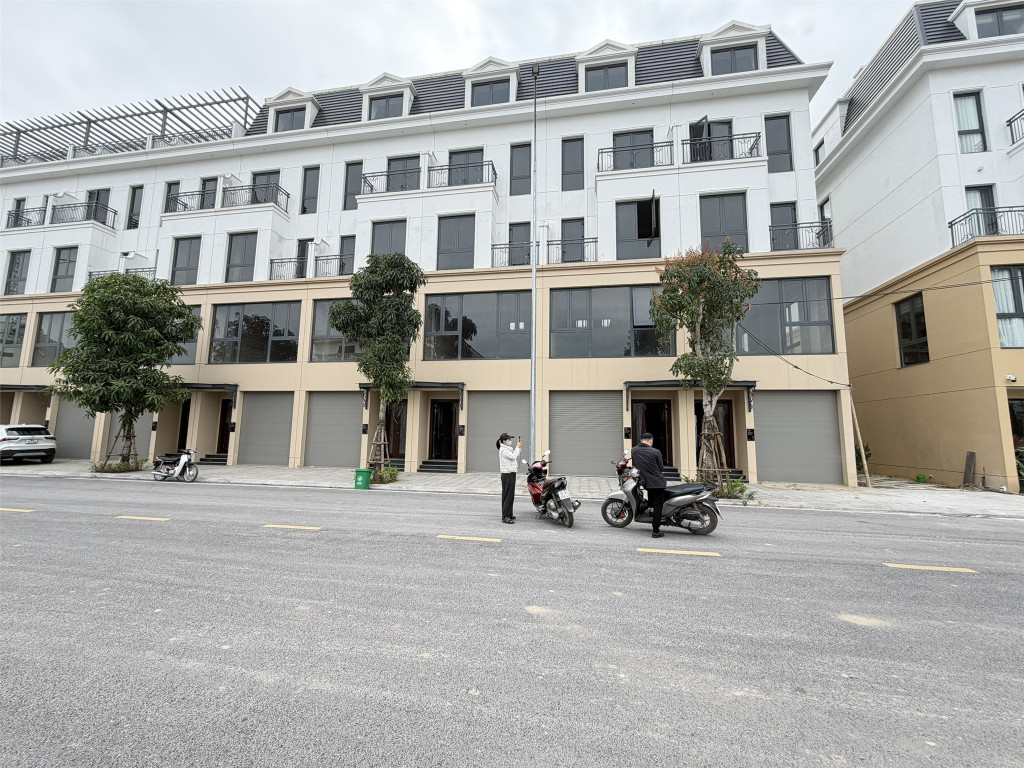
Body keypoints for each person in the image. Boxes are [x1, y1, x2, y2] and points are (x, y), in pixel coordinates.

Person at [631, 432, 666, 538]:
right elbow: (661, 468)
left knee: (650, 495)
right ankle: (656, 531)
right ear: (651, 441)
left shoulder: (634, 450)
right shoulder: (656, 452)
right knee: (658, 505)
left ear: (641, 440)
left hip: (646, 482)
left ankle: (651, 510)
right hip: (658, 482)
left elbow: (635, 465)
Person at [496, 432, 522, 524]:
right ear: (504, 441)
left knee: (510, 495)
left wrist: (518, 447)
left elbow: (515, 454)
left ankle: (509, 514)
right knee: (507, 495)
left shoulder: (508, 448)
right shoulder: (503, 450)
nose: (510, 441)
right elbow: (513, 456)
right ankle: (506, 517)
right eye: (509, 439)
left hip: (511, 473)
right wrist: (517, 447)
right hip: (507, 474)